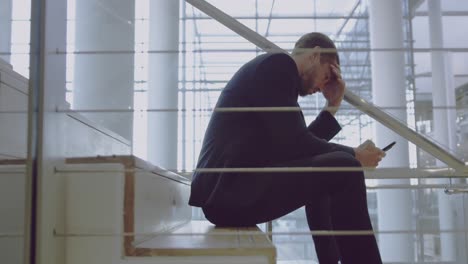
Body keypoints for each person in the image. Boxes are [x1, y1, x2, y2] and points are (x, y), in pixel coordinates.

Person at [188, 32, 385, 264]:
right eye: (327, 76)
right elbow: (297, 143)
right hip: (228, 192)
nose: (323, 87)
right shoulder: (277, 65)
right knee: (345, 166)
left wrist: (332, 105)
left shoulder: (275, 75)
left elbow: (299, 145)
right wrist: (355, 155)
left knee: (327, 170)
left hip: (230, 192)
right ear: (315, 55)